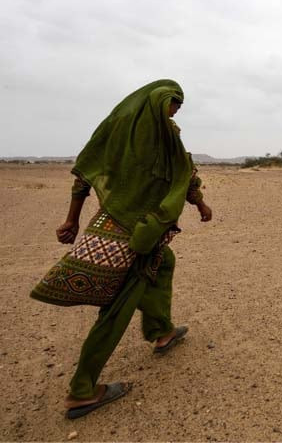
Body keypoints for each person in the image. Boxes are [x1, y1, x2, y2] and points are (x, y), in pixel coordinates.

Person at [30, 80, 213, 419]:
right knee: (117, 308)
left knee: (165, 262)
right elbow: (85, 176)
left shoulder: (154, 136)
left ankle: (162, 331)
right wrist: (70, 221)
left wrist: (200, 204)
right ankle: (82, 391)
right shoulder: (141, 137)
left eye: (178, 107)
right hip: (129, 237)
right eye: (173, 104)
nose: (175, 112)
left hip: (120, 227)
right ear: (157, 103)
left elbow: (183, 176)